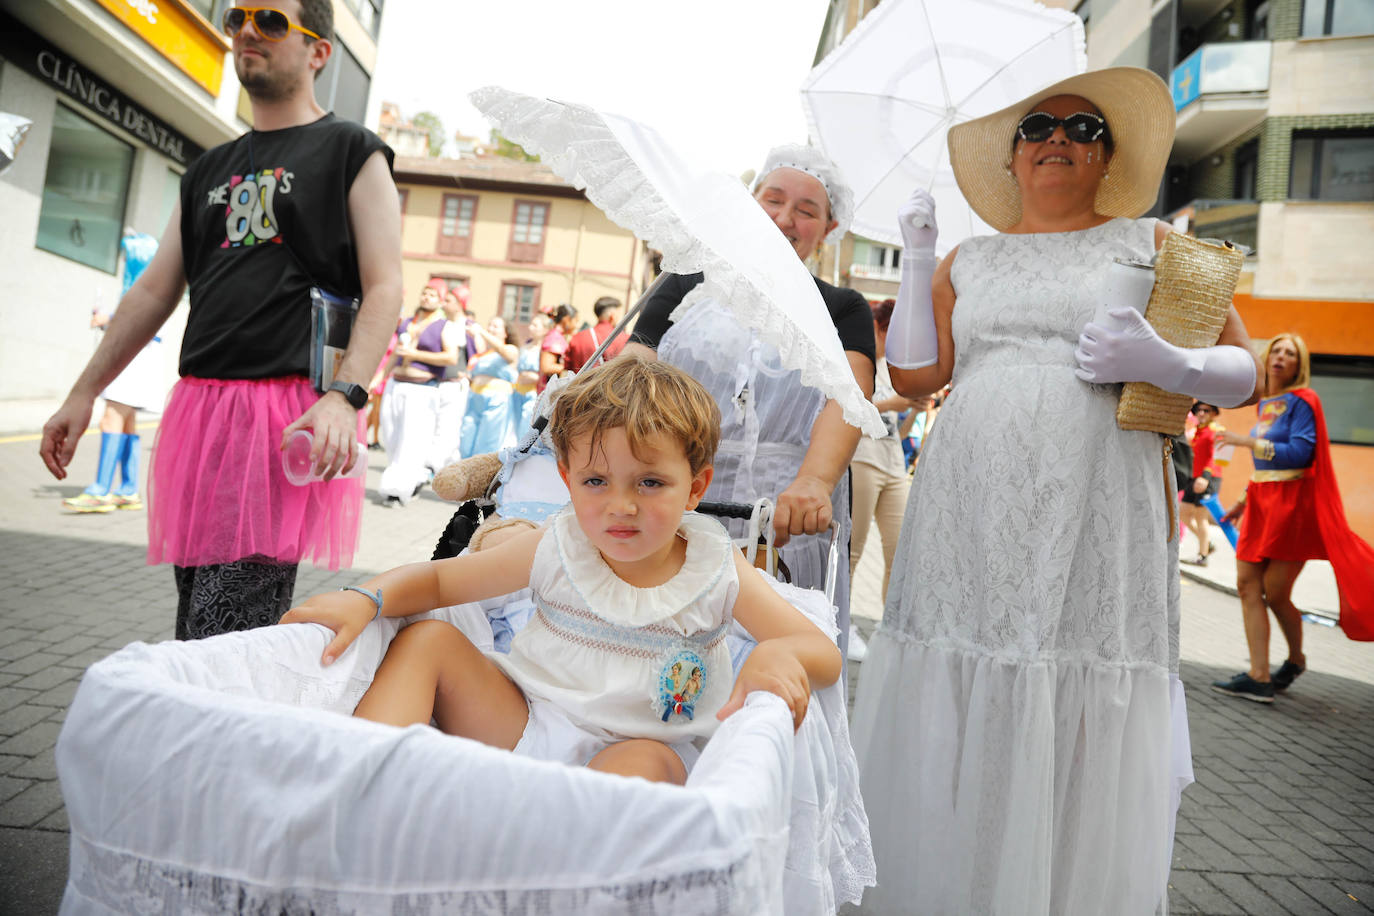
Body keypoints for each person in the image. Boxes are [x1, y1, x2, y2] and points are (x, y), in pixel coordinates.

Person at [849, 68, 1264, 914]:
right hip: (971, 494)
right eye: (1038, 125)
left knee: (1075, 672)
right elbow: (920, 371)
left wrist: (1168, 363)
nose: (1058, 139)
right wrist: (924, 255)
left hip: (1099, 494)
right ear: (1012, 156)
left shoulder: (1149, 244)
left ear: (1108, 157)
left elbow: (1245, 373)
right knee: (966, 658)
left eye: (1083, 129)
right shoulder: (971, 258)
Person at [279, 358, 841, 783]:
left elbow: (824, 653)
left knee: (650, 764)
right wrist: (364, 599)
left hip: (633, 748)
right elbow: (440, 580)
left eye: (649, 483)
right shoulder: (557, 544)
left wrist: (775, 653)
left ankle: (555, 861)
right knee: (428, 640)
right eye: (597, 482)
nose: (621, 506)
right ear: (568, 482)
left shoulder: (717, 565)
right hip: (523, 718)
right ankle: (356, 785)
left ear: (695, 488)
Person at [40, 0, 400, 639]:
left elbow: (385, 286)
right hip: (201, 412)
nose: (246, 33)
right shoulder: (207, 166)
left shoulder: (351, 150)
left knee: (226, 625)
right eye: (237, 19)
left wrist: (347, 396)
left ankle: (217, 731)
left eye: (270, 20)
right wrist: (83, 391)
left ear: (319, 50)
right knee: (196, 614)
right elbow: (153, 292)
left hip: (282, 415)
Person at [623, 144, 876, 661]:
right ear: (750, 203)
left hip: (784, 520)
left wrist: (815, 481)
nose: (785, 218)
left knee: (763, 658)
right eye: (773, 200)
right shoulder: (684, 280)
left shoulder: (843, 307)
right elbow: (632, 370)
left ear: (827, 229)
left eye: (807, 211)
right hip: (679, 497)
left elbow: (849, 395)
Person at [1212, 333, 1374, 701]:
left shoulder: (1304, 400)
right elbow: (1264, 466)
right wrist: (1241, 499)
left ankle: (1296, 659)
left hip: (1292, 508)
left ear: (1300, 365)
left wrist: (1245, 441)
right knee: (1247, 584)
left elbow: (1299, 454)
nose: (1282, 357)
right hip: (1262, 502)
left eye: (1292, 353)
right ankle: (1259, 675)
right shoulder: (1266, 402)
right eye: (1278, 351)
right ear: (1267, 357)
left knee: (1278, 592)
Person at [62, 229, 163, 514]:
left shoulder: (144, 290)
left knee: (111, 419)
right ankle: (127, 489)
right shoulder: (154, 287)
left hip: (133, 360)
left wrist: (108, 319)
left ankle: (101, 489)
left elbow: (138, 321)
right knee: (127, 423)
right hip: (142, 360)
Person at [847, 298, 920, 659]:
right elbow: (851, 411)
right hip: (862, 458)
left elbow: (899, 431)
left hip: (892, 462)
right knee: (853, 549)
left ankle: (888, 630)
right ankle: (839, 627)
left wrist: (913, 410)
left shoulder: (893, 371)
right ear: (881, 327)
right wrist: (894, 404)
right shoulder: (859, 361)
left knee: (899, 551)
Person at [378, 284, 464, 506]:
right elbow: (394, 355)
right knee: (391, 438)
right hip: (396, 384)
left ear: (441, 300)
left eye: (433, 294)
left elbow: (451, 357)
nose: (427, 297)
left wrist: (415, 354)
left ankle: (397, 490)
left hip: (421, 389)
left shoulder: (446, 326)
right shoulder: (408, 322)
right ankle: (412, 478)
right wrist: (378, 379)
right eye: (424, 292)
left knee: (411, 440)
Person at [459, 315, 519, 457]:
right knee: (466, 439)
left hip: (496, 400)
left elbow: (504, 352)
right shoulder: (483, 353)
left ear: (505, 333)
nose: (491, 328)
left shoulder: (511, 349)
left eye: (496, 326)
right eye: (489, 325)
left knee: (487, 442)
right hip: (475, 398)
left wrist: (481, 332)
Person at [1181, 401, 1222, 566]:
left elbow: (1217, 457)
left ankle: (1202, 556)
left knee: (1200, 517)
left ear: (1214, 413)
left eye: (1207, 410)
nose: (1202, 413)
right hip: (1193, 478)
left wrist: (1205, 476)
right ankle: (1207, 543)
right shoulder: (1197, 431)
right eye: (1199, 410)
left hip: (1208, 479)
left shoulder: (1217, 431)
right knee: (1183, 513)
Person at [511, 314, 550, 439]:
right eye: (531, 324)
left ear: (545, 329)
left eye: (535, 325)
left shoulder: (544, 350)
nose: (531, 328)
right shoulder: (525, 347)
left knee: (525, 425)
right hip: (518, 390)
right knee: (515, 426)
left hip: (533, 393)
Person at [564, 296, 625, 373]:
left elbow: (567, 366)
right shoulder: (623, 338)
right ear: (612, 316)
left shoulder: (577, 338)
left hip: (579, 384)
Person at [538, 304, 577, 393]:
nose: (576, 325)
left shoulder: (558, 336)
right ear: (567, 320)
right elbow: (547, 367)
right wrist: (570, 367)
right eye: (576, 321)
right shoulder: (555, 338)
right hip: (547, 391)